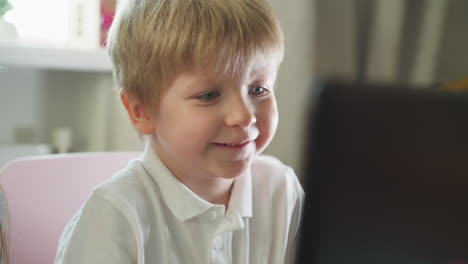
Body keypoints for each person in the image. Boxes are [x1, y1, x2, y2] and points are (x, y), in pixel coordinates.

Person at [54, 0, 304, 263]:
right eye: (209, 95)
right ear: (141, 111)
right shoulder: (113, 219)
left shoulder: (281, 190)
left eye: (258, 90)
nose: (244, 116)